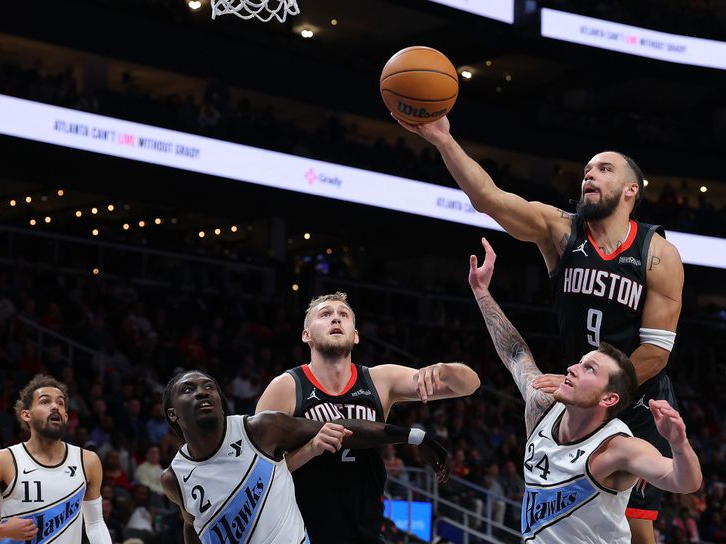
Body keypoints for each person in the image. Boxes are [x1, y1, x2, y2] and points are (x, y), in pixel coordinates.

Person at [399, 114, 684, 544]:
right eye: (587, 169)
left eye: (604, 169)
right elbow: (489, 199)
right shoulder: (561, 231)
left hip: (638, 400)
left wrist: (603, 393)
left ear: (631, 190)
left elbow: (656, 352)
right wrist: (443, 139)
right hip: (583, 394)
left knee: (639, 530)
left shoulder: (658, 253)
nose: (589, 174)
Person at [468, 238, 700, 543]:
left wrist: (679, 442)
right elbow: (515, 355)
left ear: (609, 397)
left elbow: (686, 482)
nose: (572, 368)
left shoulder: (617, 447)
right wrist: (482, 292)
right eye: (579, 362)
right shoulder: (541, 406)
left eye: (589, 368)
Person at [255, 292, 481, 543]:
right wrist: (310, 449)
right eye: (325, 314)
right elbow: (256, 474)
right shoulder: (285, 387)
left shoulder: (379, 380)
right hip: (302, 534)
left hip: (366, 533)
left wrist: (444, 369)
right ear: (306, 334)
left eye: (343, 315)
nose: (336, 319)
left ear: (355, 335)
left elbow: (469, 385)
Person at [161, 369, 448, 544]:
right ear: (173, 414)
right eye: (189, 389)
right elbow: (192, 524)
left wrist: (412, 435)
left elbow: (341, 427)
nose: (202, 392)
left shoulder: (260, 429)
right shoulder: (174, 478)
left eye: (209, 387)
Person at [0, 374, 112, 543]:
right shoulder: (2, 460)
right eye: (45, 401)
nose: (55, 406)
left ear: (65, 417)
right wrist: (2, 530)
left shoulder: (88, 461)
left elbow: (95, 523)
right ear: (26, 415)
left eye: (60, 403)